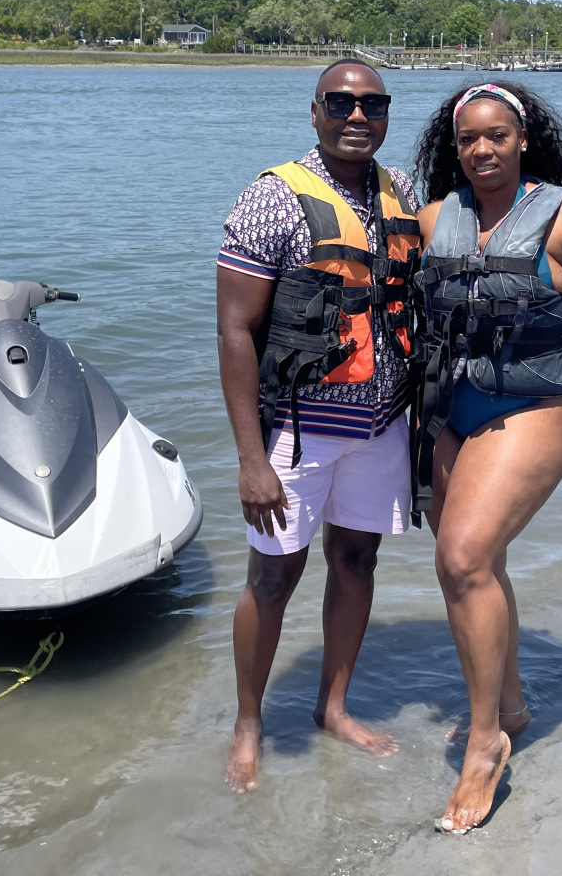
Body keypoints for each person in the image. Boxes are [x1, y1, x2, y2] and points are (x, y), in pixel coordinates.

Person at [408, 81, 562, 834]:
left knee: (463, 558)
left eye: (497, 136)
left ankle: (486, 746)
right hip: (452, 411)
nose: (482, 149)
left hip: (532, 406)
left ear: (523, 139)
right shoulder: (434, 218)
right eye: (469, 139)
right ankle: (509, 707)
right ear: (455, 147)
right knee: (480, 564)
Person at [217, 60, 422, 792]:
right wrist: (251, 460)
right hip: (297, 430)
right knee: (274, 576)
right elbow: (235, 332)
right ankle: (248, 723)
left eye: (372, 104)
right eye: (340, 103)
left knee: (357, 561)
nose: (357, 116)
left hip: (381, 426)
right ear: (315, 111)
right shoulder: (271, 199)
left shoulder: (403, 191)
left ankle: (332, 708)